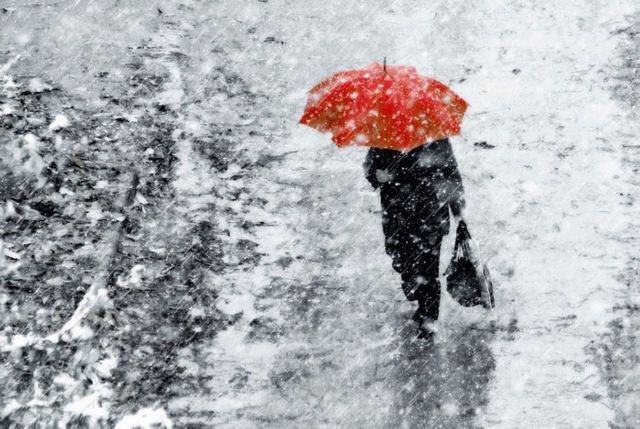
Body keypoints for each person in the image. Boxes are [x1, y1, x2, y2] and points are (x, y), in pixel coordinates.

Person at [363, 138, 465, 337]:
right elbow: (370, 166)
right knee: (404, 263)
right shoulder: (385, 138)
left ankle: (428, 317)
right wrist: (376, 176)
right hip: (398, 216)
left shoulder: (436, 138)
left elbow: (450, 173)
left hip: (431, 215)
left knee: (428, 270)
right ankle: (418, 293)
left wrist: (459, 211)